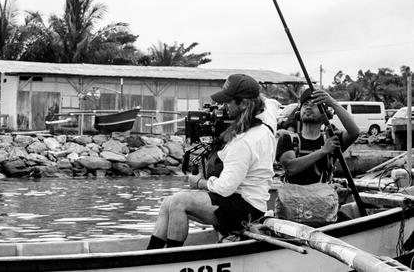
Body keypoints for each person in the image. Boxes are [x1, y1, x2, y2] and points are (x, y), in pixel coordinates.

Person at [148, 74, 276, 248]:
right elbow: (270, 104)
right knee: (167, 202)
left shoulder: (244, 142)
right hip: (242, 202)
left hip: (246, 209)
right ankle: (151, 253)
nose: (223, 107)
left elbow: (225, 188)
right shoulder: (265, 126)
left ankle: (170, 258)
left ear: (244, 104)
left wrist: (200, 182)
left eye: (228, 102)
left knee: (179, 201)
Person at [276, 88, 360, 185]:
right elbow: (291, 168)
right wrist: (322, 151)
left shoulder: (332, 139)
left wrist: (333, 103)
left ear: (325, 114)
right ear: (298, 113)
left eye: (314, 104)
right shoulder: (288, 139)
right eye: (305, 104)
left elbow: (355, 132)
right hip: (293, 198)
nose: (308, 107)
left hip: (322, 199)